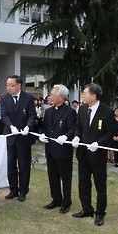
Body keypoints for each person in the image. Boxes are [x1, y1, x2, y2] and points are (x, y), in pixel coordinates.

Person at [71, 83, 113, 226]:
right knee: (83, 183)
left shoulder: (106, 111)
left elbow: (110, 132)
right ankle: (86, 209)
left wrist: (99, 143)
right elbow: (79, 126)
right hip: (83, 153)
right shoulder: (82, 109)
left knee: (100, 185)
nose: (83, 95)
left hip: (98, 154)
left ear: (93, 96)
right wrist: (76, 137)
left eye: (85, 93)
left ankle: (100, 213)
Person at [39, 85, 76, 214]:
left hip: (63, 150)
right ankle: (56, 199)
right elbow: (44, 126)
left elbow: (73, 128)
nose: (50, 97)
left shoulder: (69, 112)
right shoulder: (48, 111)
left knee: (65, 177)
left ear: (61, 97)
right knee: (52, 176)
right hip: (50, 149)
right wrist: (42, 134)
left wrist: (66, 136)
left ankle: (66, 202)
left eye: (52, 95)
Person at [1, 75, 36, 202]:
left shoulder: (28, 98)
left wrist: (27, 127)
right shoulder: (4, 98)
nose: (8, 88)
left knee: (24, 165)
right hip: (11, 136)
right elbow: (4, 115)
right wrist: (11, 126)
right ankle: (13, 189)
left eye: (11, 85)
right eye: (7, 85)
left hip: (24, 137)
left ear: (19, 85)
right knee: (11, 165)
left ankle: (23, 190)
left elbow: (32, 115)